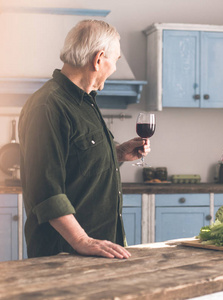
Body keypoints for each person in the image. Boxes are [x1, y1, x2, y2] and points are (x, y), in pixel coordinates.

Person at [18, 20, 150, 259]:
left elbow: (78, 164)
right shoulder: (48, 106)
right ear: (98, 59)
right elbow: (46, 189)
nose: (115, 69)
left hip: (101, 248)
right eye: (116, 61)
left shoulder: (86, 102)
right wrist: (81, 239)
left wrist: (117, 153)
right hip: (64, 254)